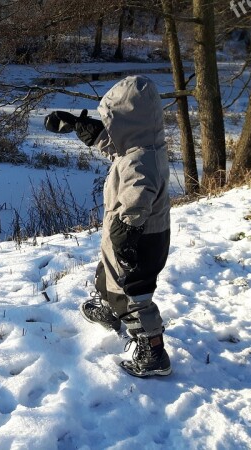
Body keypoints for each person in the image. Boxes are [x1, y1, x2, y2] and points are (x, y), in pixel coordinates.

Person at [74, 75, 172, 377]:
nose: (110, 128)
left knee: (134, 293)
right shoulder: (141, 147)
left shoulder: (142, 161)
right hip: (126, 233)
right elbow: (120, 150)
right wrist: (94, 135)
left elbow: (138, 193)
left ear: (129, 122)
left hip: (139, 238)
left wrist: (126, 233)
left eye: (112, 122)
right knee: (108, 276)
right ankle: (109, 308)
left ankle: (152, 350)